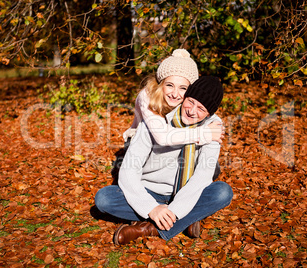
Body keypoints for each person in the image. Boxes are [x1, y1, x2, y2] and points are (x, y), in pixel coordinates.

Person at [95, 76, 233, 245]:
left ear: (209, 114)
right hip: (149, 190)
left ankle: (148, 229)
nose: (192, 111)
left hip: (186, 193)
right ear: (185, 97)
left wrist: (176, 210)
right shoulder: (157, 120)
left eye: (201, 109)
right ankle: (186, 221)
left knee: (222, 192)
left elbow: (202, 177)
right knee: (104, 199)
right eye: (190, 102)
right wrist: (151, 208)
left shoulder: (213, 129)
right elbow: (129, 170)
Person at [123, 48, 223, 148]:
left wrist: (216, 126)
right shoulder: (147, 96)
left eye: (183, 88)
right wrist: (206, 133)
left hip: (173, 140)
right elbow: (161, 137)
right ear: (161, 84)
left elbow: (206, 109)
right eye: (170, 85)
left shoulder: (188, 99)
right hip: (142, 141)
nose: (175, 94)